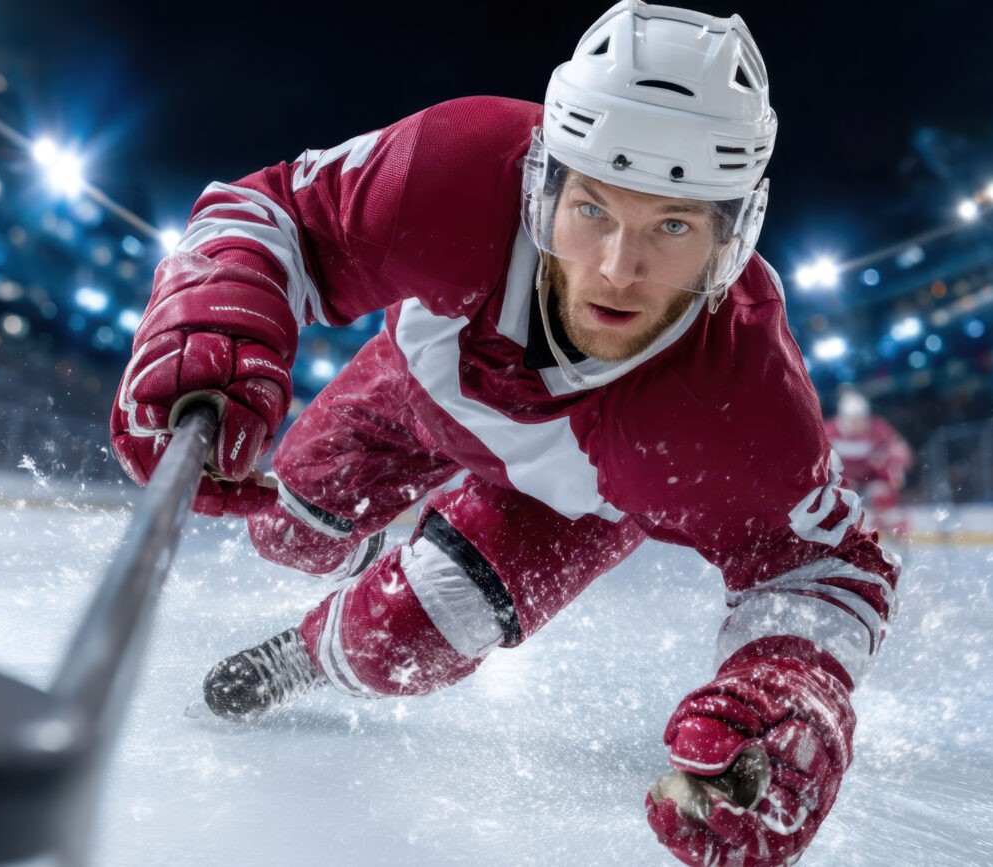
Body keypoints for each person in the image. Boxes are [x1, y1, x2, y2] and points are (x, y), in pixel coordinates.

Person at [110, 3, 901, 864]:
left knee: (401, 640)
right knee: (285, 527)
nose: (616, 269)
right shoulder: (458, 166)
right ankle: (361, 561)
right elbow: (280, 215)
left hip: (561, 506)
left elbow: (820, 563)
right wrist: (216, 319)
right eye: (593, 209)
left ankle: (318, 649)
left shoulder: (741, 396)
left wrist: (788, 690)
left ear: (731, 236)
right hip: (412, 395)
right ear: (543, 182)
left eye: (672, 226)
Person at [825, 388, 913, 541]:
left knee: (883, 495)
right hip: (842, 482)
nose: (859, 423)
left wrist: (895, 466)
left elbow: (897, 447)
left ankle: (896, 537)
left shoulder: (877, 428)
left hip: (871, 479)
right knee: (841, 503)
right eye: (854, 419)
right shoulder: (829, 431)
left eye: (862, 418)